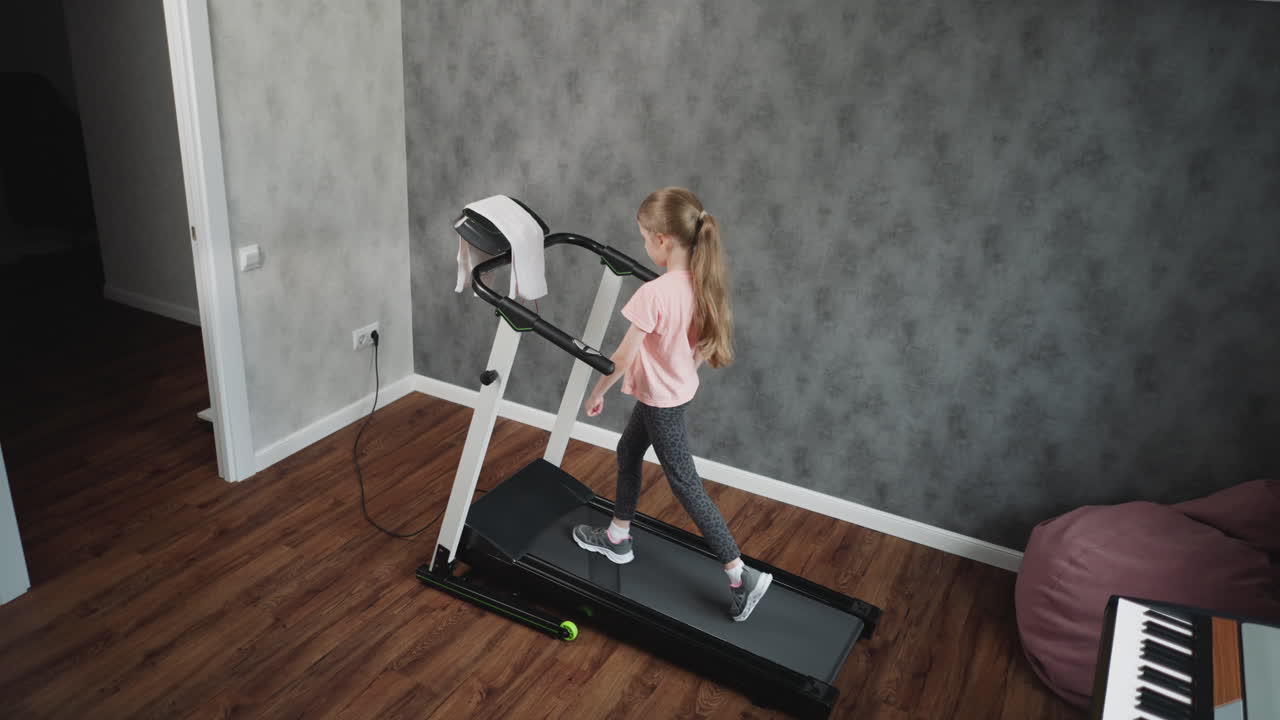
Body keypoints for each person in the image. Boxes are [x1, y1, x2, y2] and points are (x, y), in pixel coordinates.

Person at [572, 187, 772, 622]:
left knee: (684, 483)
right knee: (628, 451)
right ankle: (618, 537)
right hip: (670, 393)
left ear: (662, 240)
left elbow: (622, 357)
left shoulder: (655, 293)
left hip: (662, 401)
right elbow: (700, 344)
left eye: (645, 237)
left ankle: (741, 575)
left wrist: (597, 392)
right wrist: (683, 372)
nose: (644, 245)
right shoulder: (702, 282)